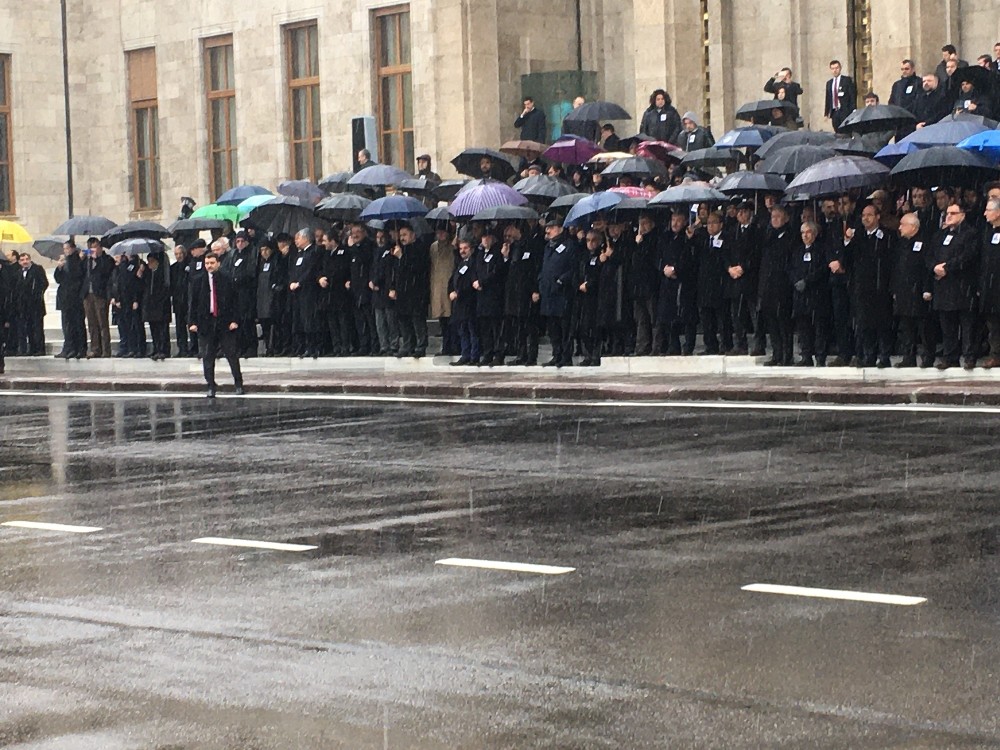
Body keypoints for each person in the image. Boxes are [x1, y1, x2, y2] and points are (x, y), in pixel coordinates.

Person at [927, 202, 978, 369]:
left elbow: (967, 256)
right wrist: (935, 267)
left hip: (962, 285)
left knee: (966, 324)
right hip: (943, 286)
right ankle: (950, 357)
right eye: (947, 213)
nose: (948, 216)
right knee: (947, 324)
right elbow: (930, 255)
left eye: (953, 213)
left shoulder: (970, 233)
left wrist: (947, 267)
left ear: (962, 215)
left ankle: (969, 356)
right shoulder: (939, 236)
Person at [844, 203, 896, 368]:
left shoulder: (887, 235)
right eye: (863, 215)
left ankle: (884, 356)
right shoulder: (858, 236)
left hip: (881, 286)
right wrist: (847, 241)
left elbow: (890, 260)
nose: (866, 218)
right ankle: (869, 355)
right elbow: (848, 260)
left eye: (869, 215)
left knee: (883, 323)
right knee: (865, 324)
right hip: (862, 287)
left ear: (878, 216)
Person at [188, 252, 243, 397]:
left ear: (218, 263)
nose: (209, 266)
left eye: (212, 263)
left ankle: (238, 383)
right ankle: (211, 386)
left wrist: (234, 320)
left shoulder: (227, 279)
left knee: (231, 354)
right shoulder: (198, 280)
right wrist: (192, 322)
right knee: (208, 356)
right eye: (207, 263)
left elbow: (235, 301)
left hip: (224, 322)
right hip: (206, 322)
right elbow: (193, 303)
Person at [891, 213, 936, 368]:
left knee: (924, 327)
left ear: (913, 226)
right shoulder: (901, 244)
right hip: (904, 291)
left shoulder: (924, 242)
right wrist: (895, 289)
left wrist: (927, 288)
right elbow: (896, 268)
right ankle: (908, 357)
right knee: (906, 327)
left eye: (903, 224)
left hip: (919, 291)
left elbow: (927, 268)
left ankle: (928, 356)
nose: (899, 227)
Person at [535, 218, 578, 367]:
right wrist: (541, 281)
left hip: (562, 293)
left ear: (560, 228)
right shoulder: (548, 247)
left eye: (551, 227)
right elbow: (544, 266)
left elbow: (573, 268)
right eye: (547, 228)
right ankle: (556, 354)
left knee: (564, 327)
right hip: (548, 293)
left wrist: (561, 281)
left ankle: (566, 356)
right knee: (552, 328)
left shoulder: (569, 245)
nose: (548, 231)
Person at [757, 205, 795, 366]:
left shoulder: (790, 236)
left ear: (786, 218)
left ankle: (787, 354)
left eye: (778, 217)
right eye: (773, 217)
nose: (775, 220)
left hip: (783, 285)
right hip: (768, 285)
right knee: (771, 321)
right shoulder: (768, 236)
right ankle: (777, 353)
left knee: (784, 322)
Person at [788, 221, 830, 366]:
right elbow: (791, 268)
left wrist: (807, 281)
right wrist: (796, 281)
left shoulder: (821, 250)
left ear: (815, 233)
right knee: (803, 327)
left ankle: (820, 356)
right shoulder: (797, 251)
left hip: (816, 293)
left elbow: (822, 269)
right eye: (803, 232)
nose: (805, 235)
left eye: (808, 232)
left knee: (819, 327)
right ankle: (806, 356)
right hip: (800, 295)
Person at [390, 224, 430, 358]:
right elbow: (395, 271)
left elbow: (416, 268)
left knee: (417, 319)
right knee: (403, 319)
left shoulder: (420, 248)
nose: (402, 238)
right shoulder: (399, 249)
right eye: (400, 235)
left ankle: (421, 345)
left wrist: (402, 257)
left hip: (416, 291)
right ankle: (407, 345)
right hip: (402, 291)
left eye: (405, 235)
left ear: (413, 235)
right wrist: (393, 287)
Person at [695, 212, 731, 355]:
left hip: (720, 284)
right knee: (706, 318)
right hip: (704, 284)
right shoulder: (703, 239)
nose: (711, 226)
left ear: (721, 224)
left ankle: (725, 344)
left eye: (714, 223)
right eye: (708, 223)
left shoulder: (726, 239)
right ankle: (710, 345)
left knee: (722, 318)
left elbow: (725, 258)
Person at [317, 229, 354, 356]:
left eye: (325, 241)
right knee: (332, 322)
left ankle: (345, 346)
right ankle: (336, 346)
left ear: (333, 241)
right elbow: (320, 269)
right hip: (328, 293)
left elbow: (344, 269)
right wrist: (320, 278)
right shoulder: (325, 254)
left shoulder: (344, 252)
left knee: (343, 321)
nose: (323, 243)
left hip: (340, 292)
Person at [288, 228, 321, 358]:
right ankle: (303, 347)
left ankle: (314, 347)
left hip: (308, 291)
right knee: (300, 320)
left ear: (306, 238)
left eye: (298, 238)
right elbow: (294, 271)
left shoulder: (313, 252)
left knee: (310, 320)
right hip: (298, 293)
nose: (296, 241)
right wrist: (291, 282)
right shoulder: (299, 254)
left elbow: (310, 270)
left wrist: (299, 282)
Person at [346, 223, 378, 355]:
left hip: (366, 289)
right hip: (355, 289)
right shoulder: (352, 249)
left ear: (364, 232)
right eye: (352, 232)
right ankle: (363, 345)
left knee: (370, 320)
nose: (354, 235)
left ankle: (374, 346)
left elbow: (365, 259)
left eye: (357, 232)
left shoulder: (369, 245)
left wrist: (353, 247)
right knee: (359, 321)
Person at [81, 237, 115, 358]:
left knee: (102, 323)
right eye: (90, 248)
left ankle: (106, 350)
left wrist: (98, 260)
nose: (93, 250)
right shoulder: (87, 261)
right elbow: (80, 273)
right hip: (87, 294)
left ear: (100, 247)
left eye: (95, 247)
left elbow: (106, 273)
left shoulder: (106, 259)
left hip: (100, 294)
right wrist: (82, 259)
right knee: (91, 323)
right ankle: (95, 349)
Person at [448, 239, 479, 366]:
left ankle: (474, 356)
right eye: (460, 249)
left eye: (465, 248)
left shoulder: (474, 264)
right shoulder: (460, 264)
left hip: (469, 302)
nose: (462, 251)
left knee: (472, 331)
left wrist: (459, 293)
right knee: (462, 331)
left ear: (471, 249)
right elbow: (453, 280)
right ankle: (465, 354)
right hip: (459, 305)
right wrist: (450, 291)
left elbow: (470, 283)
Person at [53, 241, 86, 359]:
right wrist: (59, 268)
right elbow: (58, 279)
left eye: (67, 248)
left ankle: (80, 348)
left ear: (72, 249)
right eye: (64, 249)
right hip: (65, 297)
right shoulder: (64, 262)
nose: (65, 251)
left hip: (75, 297)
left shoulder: (78, 260)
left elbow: (78, 275)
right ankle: (68, 347)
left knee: (77, 323)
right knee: (66, 324)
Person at [978, 199, 1000, 368]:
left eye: (988, 210)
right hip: (989, 286)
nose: (985, 213)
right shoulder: (987, 232)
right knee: (992, 323)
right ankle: (995, 354)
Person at [428, 224, 455, 355]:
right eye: (438, 232)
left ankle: (452, 346)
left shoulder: (453, 246)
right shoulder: (433, 247)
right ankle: (445, 346)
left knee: (452, 318)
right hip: (437, 286)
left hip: (449, 285)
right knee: (442, 318)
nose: (441, 235)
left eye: (443, 232)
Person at [143, 252, 171, 360]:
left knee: (162, 330)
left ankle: (163, 350)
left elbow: (165, 289)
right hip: (151, 306)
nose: (149, 264)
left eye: (152, 261)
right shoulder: (148, 273)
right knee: (154, 329)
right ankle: (156, 348)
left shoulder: (162, 273)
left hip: (161, 305)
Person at [825, 59, 857, 132]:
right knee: (837, 130)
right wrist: (827, 112)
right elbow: (828, 97)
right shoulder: (829, 83)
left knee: (846, 130)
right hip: (834, 111)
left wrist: (853, 109)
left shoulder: (846, 80)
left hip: (844, 110)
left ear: (840, 68)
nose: (835, 70)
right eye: (833, 68)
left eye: (836, 68)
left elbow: (852, 95)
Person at [170, 245, 191, 357]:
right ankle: (182, 348)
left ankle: (193, 348)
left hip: (188, 300)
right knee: (179, 326)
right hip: (178, 300)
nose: (178, 256)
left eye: (180, 253)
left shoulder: (189, 265)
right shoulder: (173, 268)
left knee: (190, 324)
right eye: (176, 254)